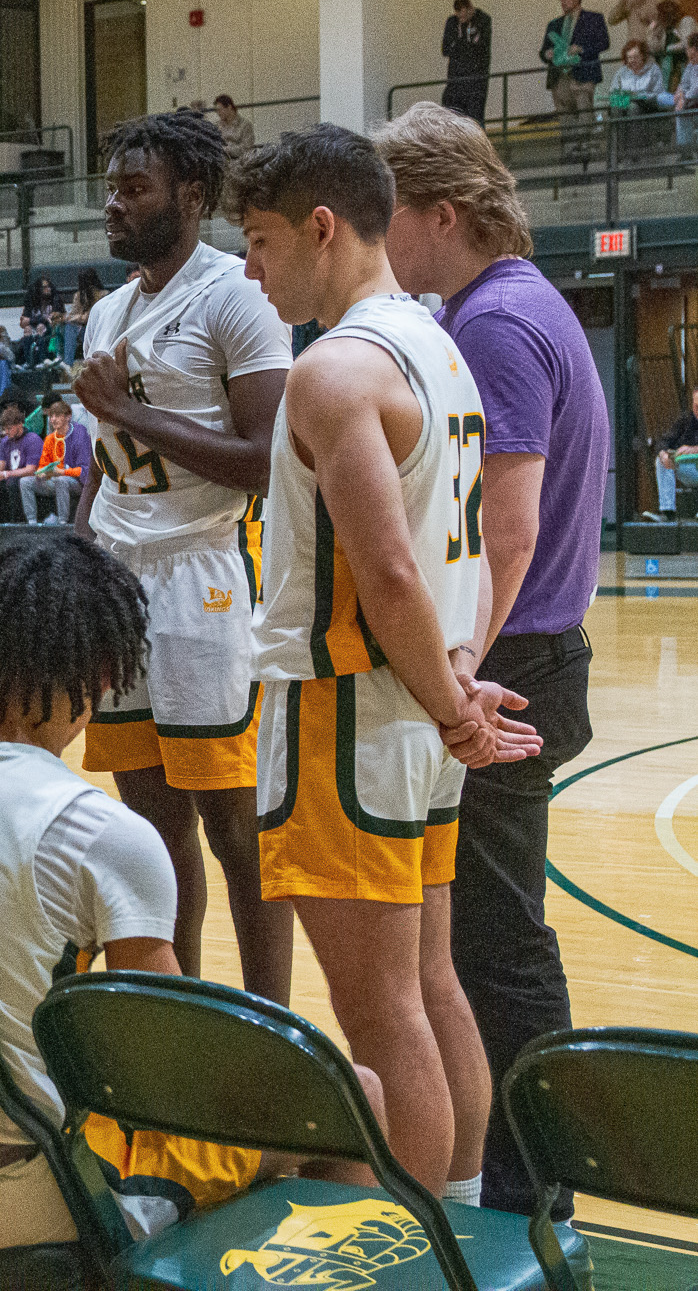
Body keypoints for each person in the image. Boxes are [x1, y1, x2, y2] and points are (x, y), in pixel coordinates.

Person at [0, 536, 374, 1248]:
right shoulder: (98, 831)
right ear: (108, 668)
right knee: (356, 1096)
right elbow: (166, 1074)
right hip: (38, 1189)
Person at [229, 122, 541, 1197]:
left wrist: (444, 699)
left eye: (262, 240)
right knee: (430, 984)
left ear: (322, 228)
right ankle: (459, 1220)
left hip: (347, 714)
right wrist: (449, 696)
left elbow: (392, 575)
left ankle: (413, 1249)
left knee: (381, 1016)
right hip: (411, 716)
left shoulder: (331, 370)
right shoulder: (435, 342)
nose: (250, 268)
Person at [374, 101, 612, 1218]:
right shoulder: (518, 306)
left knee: (494, 946)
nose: (381, 240)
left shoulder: (494, 326)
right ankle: (524, 1167)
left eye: (392, 217)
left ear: (444, 212)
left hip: (511, 659)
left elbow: (504, 530)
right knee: (484, 938)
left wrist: (455, 669)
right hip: (533, 652)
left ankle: (534, 1177)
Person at [69, 107, 296, 1002]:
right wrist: (82, 559)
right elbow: (101, 458)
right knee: (152, 835)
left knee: (235, 832)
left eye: (135, 189)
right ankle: (185, 1017)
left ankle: (270, 1028)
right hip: (123, 581)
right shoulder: (109, 312)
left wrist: (127, 409)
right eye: (112, 191)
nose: (115, 207)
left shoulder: (236, 294)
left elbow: (264, 460)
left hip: (207, 574)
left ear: (191, 197)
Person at [541, 0, 610, 161]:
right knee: (564, 113)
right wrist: (547, 54)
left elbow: (604, 43)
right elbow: (542, 51)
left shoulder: (593, 19)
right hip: (560, 76)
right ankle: (570, 149)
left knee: (584, 107)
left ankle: (584, 146)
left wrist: (582, 49)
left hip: (583, 71)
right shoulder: (554, 24)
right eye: (561, 0)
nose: (562, 3)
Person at [25, 395, 89, 524]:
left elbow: (84, 471)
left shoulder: (80, 434)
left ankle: (62, 522)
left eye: (57, 416)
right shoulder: (49, 438)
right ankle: (31, 522)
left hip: (76, 482)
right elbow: (43, 464)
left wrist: (62, 472)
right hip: (53, 479)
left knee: (61, 480)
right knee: (25, 482)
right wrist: (41, 473)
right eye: (51, 416)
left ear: (68, 417)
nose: (53, 419)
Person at [0, 401, 44, 523]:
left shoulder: (33, 439)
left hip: (31, 477)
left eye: (9, 428)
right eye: (4, 429)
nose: (6, 432)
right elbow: (0, 466)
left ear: (20, 424)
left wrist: (5, 474)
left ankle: (17, 522)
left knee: (13, 482)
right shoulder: (5, 441)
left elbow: (31, 470)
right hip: (11, 476)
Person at [648, 385, 698, 519]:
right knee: (661, 460)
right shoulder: (685, 420)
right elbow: (663, 441)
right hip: (689, 470)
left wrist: (694, 449)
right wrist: (664, 454)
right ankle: (667, 511)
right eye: (696, 406)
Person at [442, 0, 493, 122]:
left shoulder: (483, 20)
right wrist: (465, 45)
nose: (461, 18)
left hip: (476, 79)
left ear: (471, 9)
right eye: (458, 15)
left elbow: (481, 49)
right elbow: (445, 49)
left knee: (475, 117)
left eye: (464, 14)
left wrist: (460, 45)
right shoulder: (452, 22)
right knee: (452, 114)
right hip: (456, 79)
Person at [58, 268, 107, 367]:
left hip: (97, 330)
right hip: (82, 329)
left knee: (70, 326)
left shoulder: (103, 295)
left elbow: (87, 317)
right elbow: (74, 315)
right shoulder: (79, 295)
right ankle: (64, 362)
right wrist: (77, 317)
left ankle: (67, 362)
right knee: (67, 327)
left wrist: (74, 317)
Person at [17, 277, 61, 367]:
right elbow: (23, 323)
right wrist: (41, 319)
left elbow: (53, 319)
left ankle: (42, 360)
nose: (48, 289)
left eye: (49, 287)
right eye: (45, 287)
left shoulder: (54, 301)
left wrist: (34, 320)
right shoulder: (31, 303)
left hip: (50, 331)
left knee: (40, 326)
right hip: (34, 331)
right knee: (27, 329)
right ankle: (29, 362)